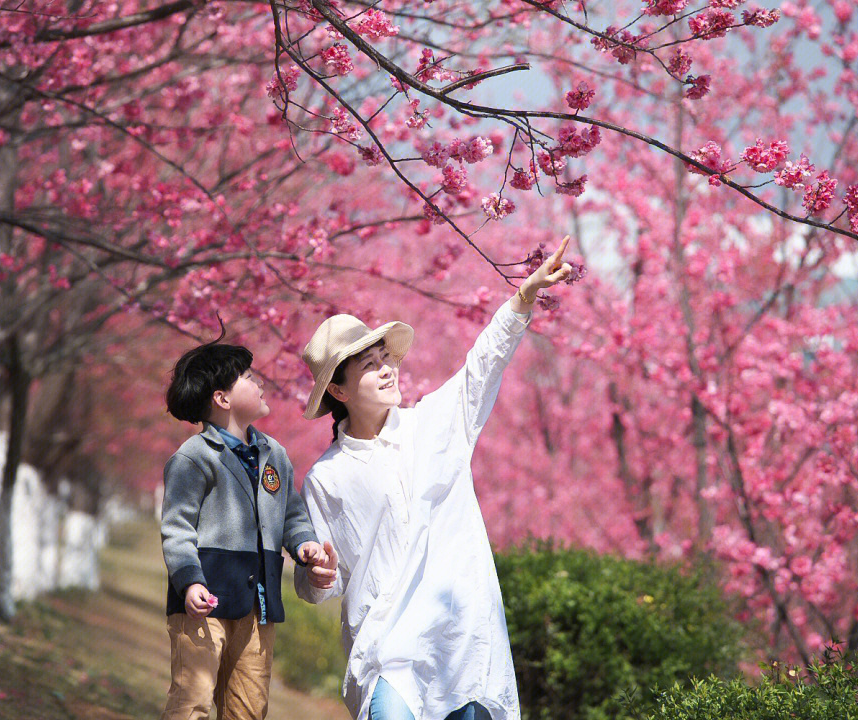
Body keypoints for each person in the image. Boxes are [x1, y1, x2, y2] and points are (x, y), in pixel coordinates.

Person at [294, 237, 575, 720]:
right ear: (337, 389)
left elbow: (481, 367)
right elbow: (327, 582)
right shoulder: (328, 476)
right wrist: (312, 574)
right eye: (369, 365)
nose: (387, 370)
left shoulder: (434, 424)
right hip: (389, 648)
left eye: (386, 358)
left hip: (462, 639)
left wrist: (523, 298)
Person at [160, 337, 333, 720]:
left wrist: (303, 543)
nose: (260, 384)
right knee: (193, 701)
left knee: (248, 708)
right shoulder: (194, 458)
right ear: (222, 399)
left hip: (259, 605)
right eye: (250, 378)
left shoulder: (274, 454)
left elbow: (292, 514)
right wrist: (189, 582)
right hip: (202, 604)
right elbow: (177, 528)